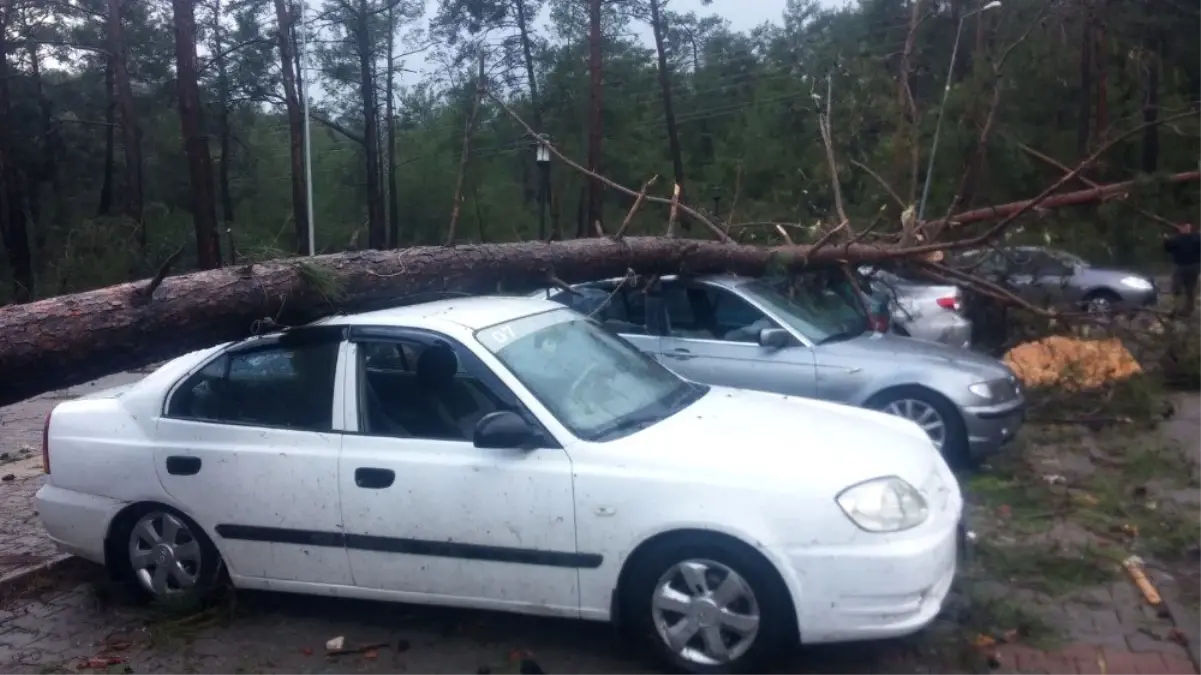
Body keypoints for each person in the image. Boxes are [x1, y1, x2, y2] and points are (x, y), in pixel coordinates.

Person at [1165, 223, 1201, 317]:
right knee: (1176, 288)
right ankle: (1176, 308)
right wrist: (1166, 241)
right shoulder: (1176, 239)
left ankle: (1188, 309)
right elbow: (1168, 249)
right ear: (1180, 228)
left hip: (1192, 266)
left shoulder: (1196, 237)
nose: (1186, 229)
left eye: (1187, 227)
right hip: (1180, 266)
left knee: (1190, 289)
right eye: (1184, 227)